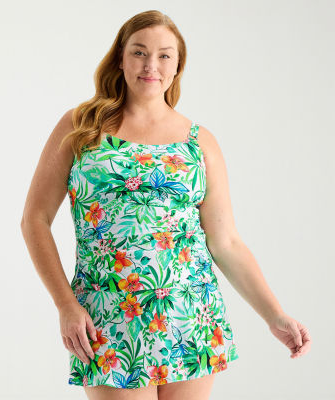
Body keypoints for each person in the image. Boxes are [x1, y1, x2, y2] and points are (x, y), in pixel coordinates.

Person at [20, 9, 312, 400]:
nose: (150, 65)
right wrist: (65, 305)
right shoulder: (81, 127)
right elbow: (35, 219)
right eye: (139, 52)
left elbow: (225, 242)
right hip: (107, 315)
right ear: (120, 58)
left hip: (191, 315)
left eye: (164, 55)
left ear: (177, 66)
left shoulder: (199, 142)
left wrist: (275, 315)